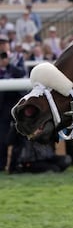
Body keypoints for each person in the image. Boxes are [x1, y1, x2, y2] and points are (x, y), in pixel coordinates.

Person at [0, 35, 27, 172]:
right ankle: (1, 165)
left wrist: (8, 65)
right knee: (2, 135)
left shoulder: (18, 57)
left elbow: (23, 73)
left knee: (20, 134)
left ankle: (15, 165)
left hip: (17, 100)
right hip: (2, 102)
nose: (2, 46)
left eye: (4, 43)